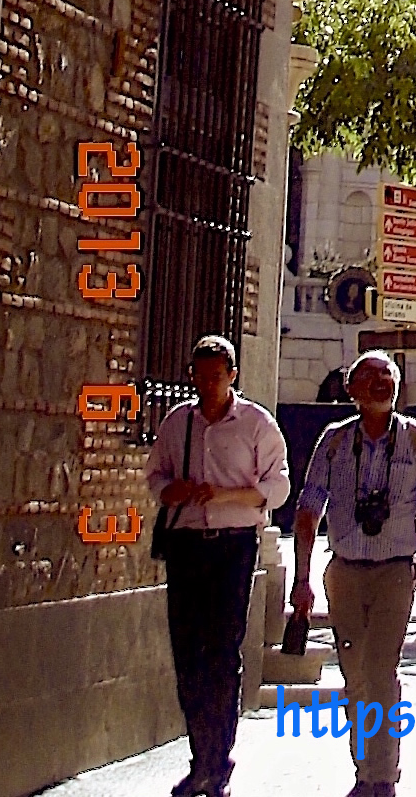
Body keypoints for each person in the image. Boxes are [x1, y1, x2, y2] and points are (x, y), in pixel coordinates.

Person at [291, 350, 416, 797]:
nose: (382, 383)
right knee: (354, 675)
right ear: (352, 391)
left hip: (395, 573)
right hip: (344, 572)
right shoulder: (336, 441)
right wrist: (301, 581)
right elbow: (308, 509)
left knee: (381, 671)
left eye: (389, 375)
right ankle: (366, 766)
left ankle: (381, 776)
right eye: (372, 377)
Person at [145, 334, 290, 797]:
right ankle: (198, 756)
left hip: (232, 546)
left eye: (216, 376)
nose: (208, 385)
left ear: (232, 376)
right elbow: (156, 477)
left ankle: (218, 758)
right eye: (201, 376)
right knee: (188, 654)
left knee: (223, 652)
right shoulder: (177, 423)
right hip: (187, 546)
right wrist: (176, 490)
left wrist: (223, 495)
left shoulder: (255, 424)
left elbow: (278, 486)